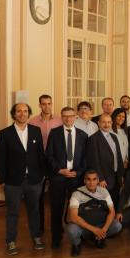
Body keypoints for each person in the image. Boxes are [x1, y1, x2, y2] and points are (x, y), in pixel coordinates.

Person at [0, 103, 46, 255]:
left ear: (29, 114)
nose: (22, 114)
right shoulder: (4, 133)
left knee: (34, 211)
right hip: (13, 182)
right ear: (14, 114)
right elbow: (0, 159)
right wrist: (2, 180)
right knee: (12, 212)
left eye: (25, 111)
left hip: (34, 181)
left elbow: (40, 156)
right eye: (19, 111)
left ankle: (36, 237)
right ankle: (11, 241)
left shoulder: (36, 131)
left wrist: (42, 176)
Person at [45, 106, 88, 249]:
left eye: (70, 116)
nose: (68, 119)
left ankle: (77, 237)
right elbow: (49, 155)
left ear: (75, 117)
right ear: (61, 117)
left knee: (76, 209)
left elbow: (85, 159)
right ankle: (56, 238)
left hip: (76, 178)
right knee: (56, 209)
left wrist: (79, 172)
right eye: (65, 116)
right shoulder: (54, 133)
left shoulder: (83, 135)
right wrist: (59, 170)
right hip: (58, 178)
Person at [67, 170, 122, 257]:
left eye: (94, 179)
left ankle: (98, 238)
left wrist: (103, 230)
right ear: (84, 181)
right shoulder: (76, 194)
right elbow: (73, 217)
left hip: (101, 224)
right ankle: (77, 244)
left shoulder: (104, 191)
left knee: (117, 225)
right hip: (85, 227)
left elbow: (112, 212)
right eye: (88, 179)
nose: (91, 182)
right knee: (71, 230)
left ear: (98, 180)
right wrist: (94, 230)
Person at [28, 94, 62, 232]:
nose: (47, 106)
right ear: (39, 105)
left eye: (49, 103)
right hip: (39, 162)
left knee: (56, 196)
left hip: (55, 162)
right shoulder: (32, 121)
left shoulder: (60, 121)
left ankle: (57, 227)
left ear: (51, 104)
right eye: (44, 104)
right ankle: (39, 226)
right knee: (38, 196)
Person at [86, 113, 125, 208]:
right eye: (104, 122)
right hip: (104, 178)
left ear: (112, 123)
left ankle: (114, 222)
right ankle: (105, 222)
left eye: (108, 122)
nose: (106, 125)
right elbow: (94, 161)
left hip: (116, 176)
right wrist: (100, 178)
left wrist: (121, 174)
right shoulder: (93, 139)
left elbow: (118, 157)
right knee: (105, 204)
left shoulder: (114, 137)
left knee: (115, 201)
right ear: (98, 123)